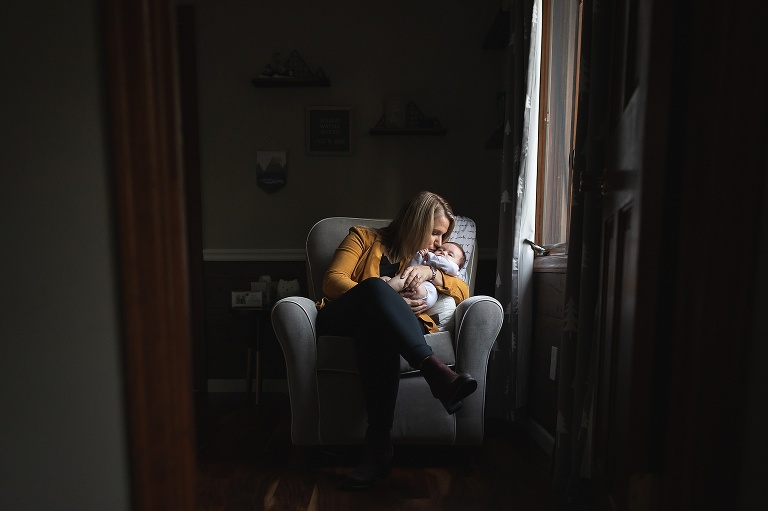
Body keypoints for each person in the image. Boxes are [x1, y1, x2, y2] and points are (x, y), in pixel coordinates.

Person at [315, 191, 477, 490]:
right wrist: (385, 290)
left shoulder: (421, 259)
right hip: (342, 317)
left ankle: (378, 447)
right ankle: (433, 370)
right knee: (376, 290)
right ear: (416, 224)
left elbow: (462, 289)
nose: (440, 244)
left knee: (378, 331)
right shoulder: (362, 238)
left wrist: (431, 271)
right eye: (436, 233)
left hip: (377, 330)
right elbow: (333, 280)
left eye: (443, 236)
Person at [384, 241, 466, 331]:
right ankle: (383, 289)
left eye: (450, 254)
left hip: (427, 292)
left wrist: (430, 256)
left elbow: (448, 266)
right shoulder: (427, 261)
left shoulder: (452, 269)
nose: (443, 252)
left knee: (408, 278)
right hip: (410, 287)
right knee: (385, 278)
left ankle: (382, 291)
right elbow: (411, 268)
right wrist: (419, 257)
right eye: (440, 249)